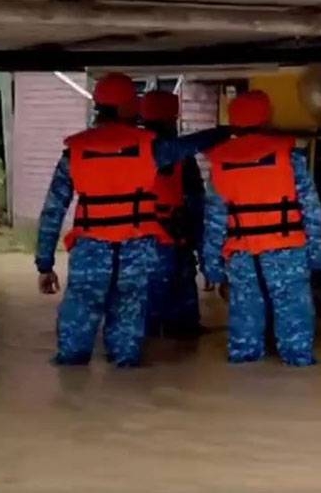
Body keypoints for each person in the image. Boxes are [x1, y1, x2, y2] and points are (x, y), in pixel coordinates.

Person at [34, 73, 227, 368]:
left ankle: (72, 376)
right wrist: (225, 131)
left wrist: (45, 264)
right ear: (127, 107)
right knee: (128, 312)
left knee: (80, 310)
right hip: (135, 247)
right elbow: (190, 145)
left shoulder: (73, 153)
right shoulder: (151, 148)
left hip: (90, 247)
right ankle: (124, 368)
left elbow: (52, 211)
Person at [202, 90, 321, 366]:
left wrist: (212, 267)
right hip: (287, 249)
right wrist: (316, 256)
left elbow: (214, 220)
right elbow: (312, 209)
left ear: (233, 121)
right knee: (295, 321)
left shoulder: (220, 163)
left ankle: (245, 372)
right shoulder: (290, 158)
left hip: (242, 254)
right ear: (267, 117)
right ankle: (299, 369)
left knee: (244, 320)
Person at [139, 90, 206, 338]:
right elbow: (197, 204)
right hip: (172, 238)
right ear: (173, 117)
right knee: (182, 318)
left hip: (137, 240)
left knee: (142, 310)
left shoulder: (129, 149)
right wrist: (207, 257)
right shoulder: (180, 156)